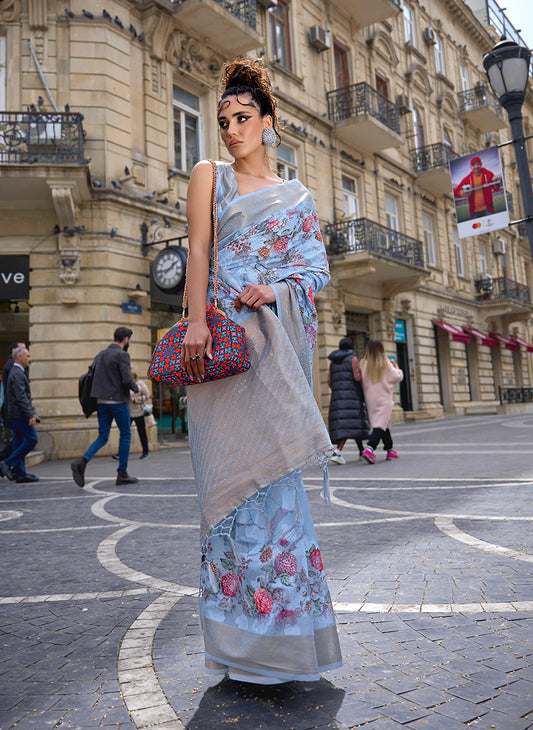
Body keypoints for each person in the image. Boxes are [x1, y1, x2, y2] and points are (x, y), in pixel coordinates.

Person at [181, 58, 342, 685]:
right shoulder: (208, 177)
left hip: (270, 355)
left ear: (269, 123)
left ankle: (285, 644)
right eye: (223, 119)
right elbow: (197, 250)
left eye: (243, 118)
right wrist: (196, 321)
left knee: (275, 488)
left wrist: (273, 290)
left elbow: (314, 272)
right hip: (220, 354)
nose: (230, 129)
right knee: (223, 492)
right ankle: (234, 644)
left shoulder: (298, 197)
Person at [71, 327, 139, 487]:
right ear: (126, 339)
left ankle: (82, 462)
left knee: (102, 436)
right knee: (126, 435)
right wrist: (137, 388)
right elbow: (126, 378)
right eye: (129, 339)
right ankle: (122, 473)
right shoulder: (122, 354)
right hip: (117, 402)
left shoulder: (100, 354)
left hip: (101, 402)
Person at [359, 339, 403, 465]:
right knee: (380, 425)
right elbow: (397, 377)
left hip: (371, 400)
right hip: (384, 399)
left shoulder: (364, 364)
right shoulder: (385, 364)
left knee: (384, 423)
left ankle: (390, 450)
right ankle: (369, 449)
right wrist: (396, 367)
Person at [0, 346, 40, 483]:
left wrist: (32, 413)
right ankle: (7, 463)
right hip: (19, 414)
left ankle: (20, 473)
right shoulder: (17, 373)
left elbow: (23, 397)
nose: (29, 359)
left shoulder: (18, 372)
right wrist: (30, 415)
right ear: (19, 357)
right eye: (27, 356)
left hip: (16, 414)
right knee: (31, 440)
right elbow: (21, 397)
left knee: (18, 443)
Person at [327, 337, 369, 464]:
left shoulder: (333, 361)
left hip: (337, 396)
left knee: (352, 424)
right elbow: (357, 377)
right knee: (349, 424)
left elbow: (329, 380)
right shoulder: (353, 358)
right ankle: (337, 452)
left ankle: (361, 451)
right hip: (352, 396)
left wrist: (338, 389)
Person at [112, 373, 151, 460]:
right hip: (127, 412)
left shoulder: (140, 383)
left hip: (139, 412)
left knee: (142, 432)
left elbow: (148, 395)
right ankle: (120, 453)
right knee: (124, 432)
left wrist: (136, 400)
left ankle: (146, 452)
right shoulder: (125, 385)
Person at [0, 340, 26, 462]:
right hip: (16, 411)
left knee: (17, 440)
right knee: (23, 440)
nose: (27, 355)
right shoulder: (13, 368)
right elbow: (19, 394)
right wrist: (28, 413)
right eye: (23, 350)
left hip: (15, 410)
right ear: (15, 352)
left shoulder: (16, 368)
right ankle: (7, 463)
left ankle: (16, 469)